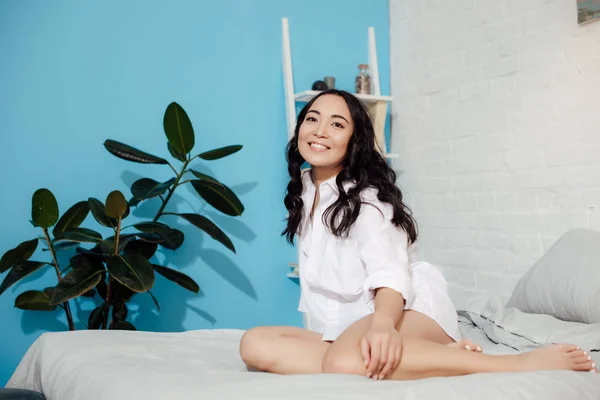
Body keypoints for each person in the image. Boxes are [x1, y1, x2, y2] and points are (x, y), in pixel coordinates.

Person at [239, 89, 597, 380]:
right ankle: (431, 359)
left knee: (343, 364)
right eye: (312, 119)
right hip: (346, 327)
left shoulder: (367, 199)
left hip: (402, 309)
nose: (319, 130)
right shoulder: (304, 189)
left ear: (354, 141)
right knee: (254, 345)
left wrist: (383, 326)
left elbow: (391, 272)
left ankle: (512, 364)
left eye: (336, 124)